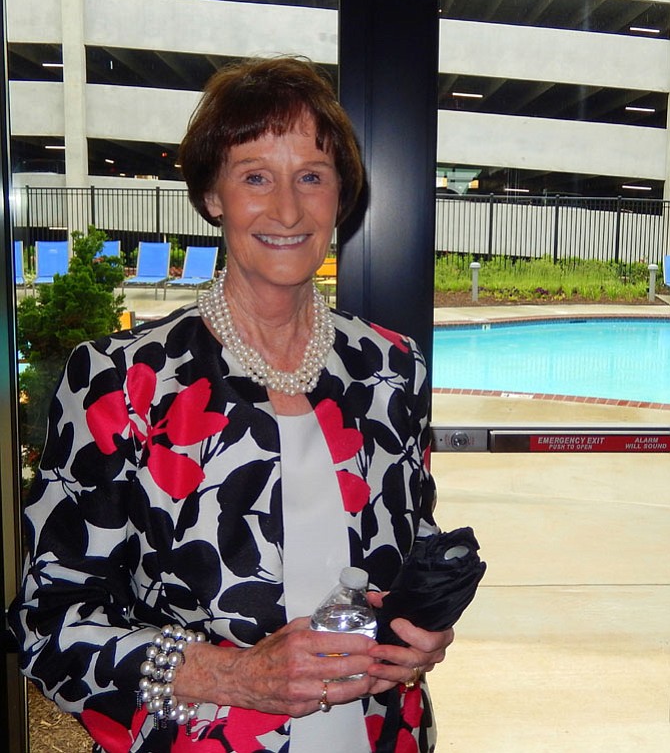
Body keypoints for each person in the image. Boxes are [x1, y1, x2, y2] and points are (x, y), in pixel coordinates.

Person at [10, 56, 453, 753]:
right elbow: (49, 621)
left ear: (340, 194)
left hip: (379, 736)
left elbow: (411, 544)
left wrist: (420, 628)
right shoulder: (123, 381)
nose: (287, 210)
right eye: (255, 177)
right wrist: (233, 674)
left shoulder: (392, 368)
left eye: (311, 176)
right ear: (213, 195)